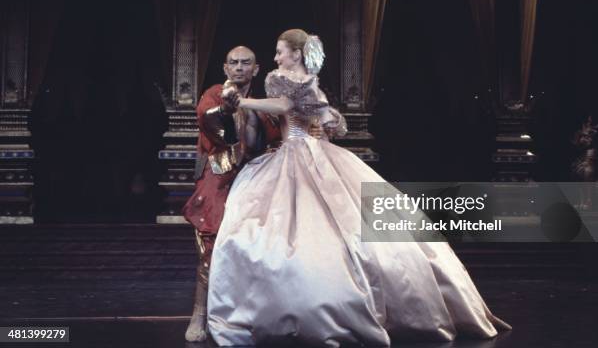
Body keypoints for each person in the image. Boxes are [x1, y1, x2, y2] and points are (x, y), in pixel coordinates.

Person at [207, 29, 511, 346]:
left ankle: (328, 304)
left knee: (328, 224)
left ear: (295, 54)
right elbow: (316, 115)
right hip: (303, 152)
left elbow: (285, 107)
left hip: (303, 152)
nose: (276, 57)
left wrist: (245, 101)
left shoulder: (284, 81)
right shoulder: (305, 82)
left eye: (280, 51)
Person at [182, 46, 281, 342]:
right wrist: (226, 109)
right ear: (225, 68)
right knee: (211, 241)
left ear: (256, 68)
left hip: (256, 178)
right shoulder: (214, 93)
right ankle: (199, 312)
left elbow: (273, 138)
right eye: (234, 63)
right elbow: (209, 122)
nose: (239, 68)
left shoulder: (262, 102)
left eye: (245, 63)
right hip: (219, 176)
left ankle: (253, 314)